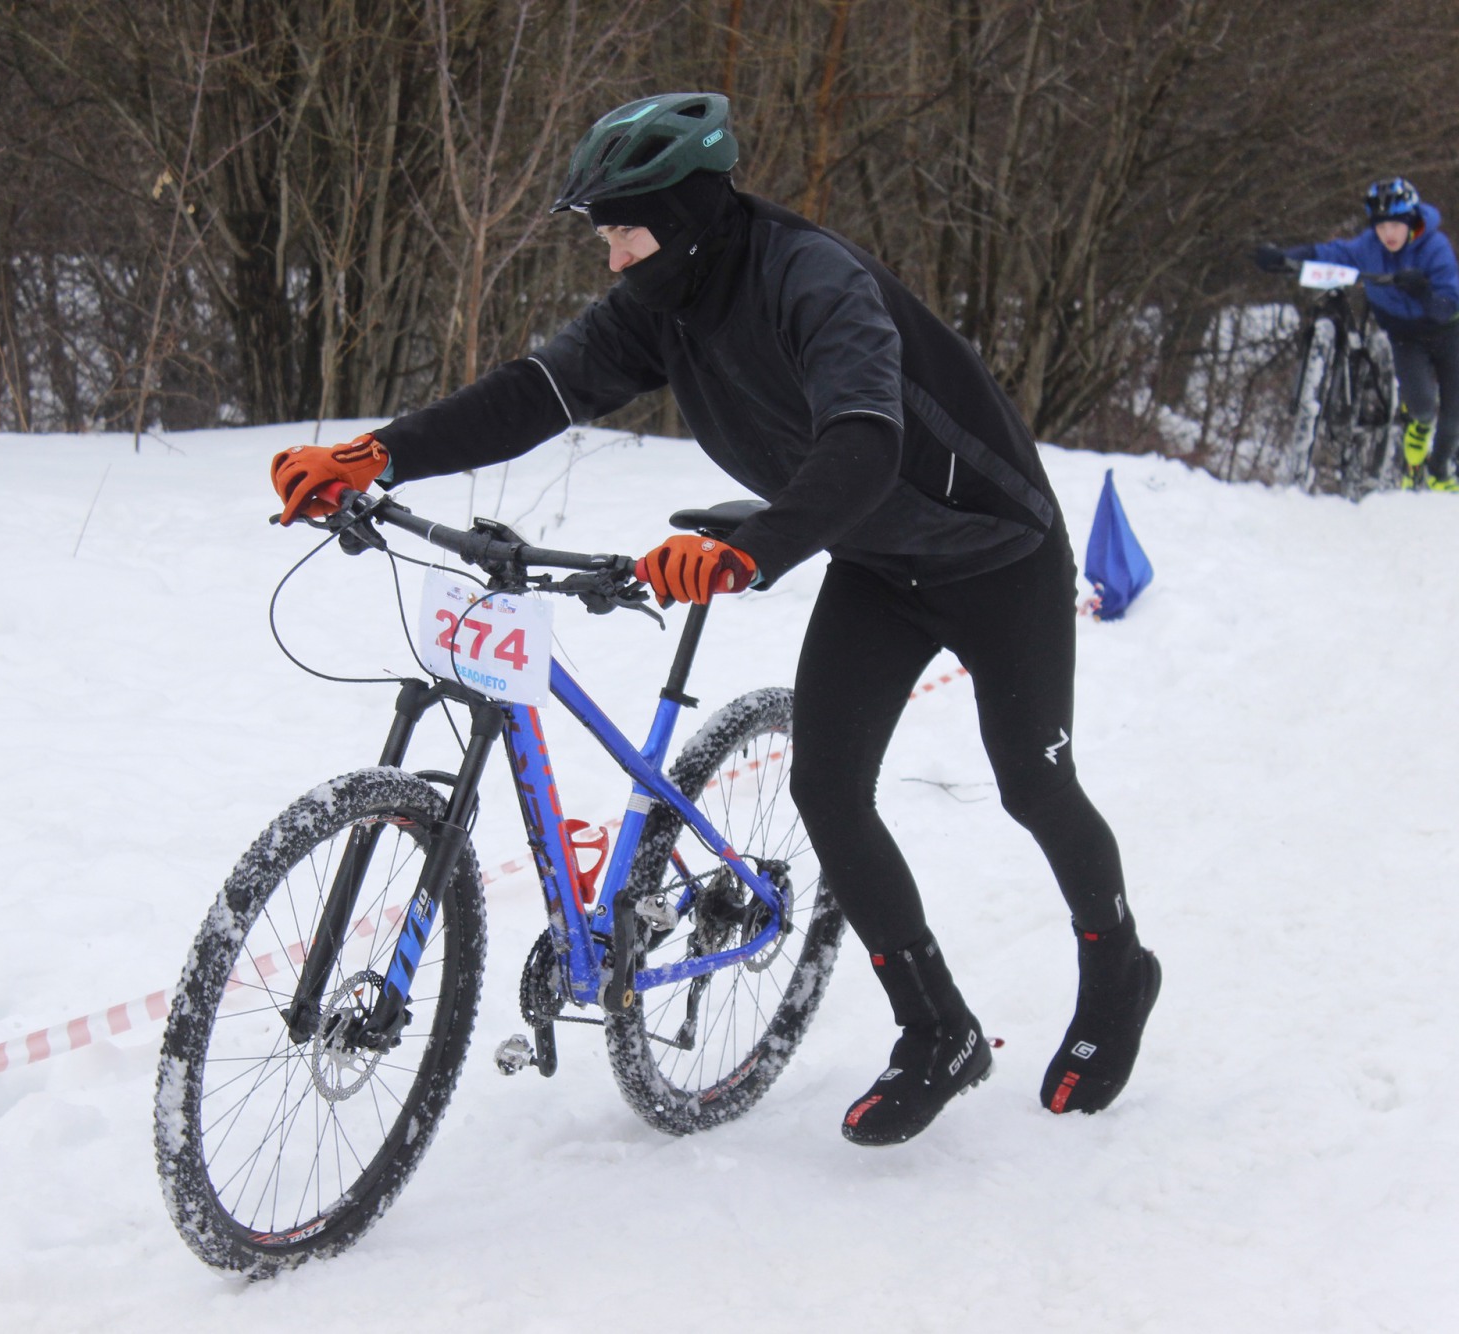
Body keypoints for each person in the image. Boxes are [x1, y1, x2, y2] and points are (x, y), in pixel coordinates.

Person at [269, 93, 1159, 1145]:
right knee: (825, 786)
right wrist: (379, 452)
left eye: (623, 234)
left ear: (685, 216)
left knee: (1030, 779)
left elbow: (865, 442)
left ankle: (1116, 966)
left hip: (993, 552)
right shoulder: (664, 300)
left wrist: (754, 547)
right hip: (876, 559)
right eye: (602, 239)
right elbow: (533, 392)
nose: (611, 261)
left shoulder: (812, 283)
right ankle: (937, 1030)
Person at [1253, 177, 1459, 491]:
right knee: (1423, 405)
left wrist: (1423, 291)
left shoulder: (1435, 248)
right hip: (1404, 335)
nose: (1388, 235)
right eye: (1381, 227)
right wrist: (1284, 257)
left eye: (1395, 226)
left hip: (1445, 330)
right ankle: (1420, 429)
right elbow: (1329, 253)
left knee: (1455, 413)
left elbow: (1448, 304)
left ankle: (1437, 470)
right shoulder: (1369, 246)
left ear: (1410, 222)